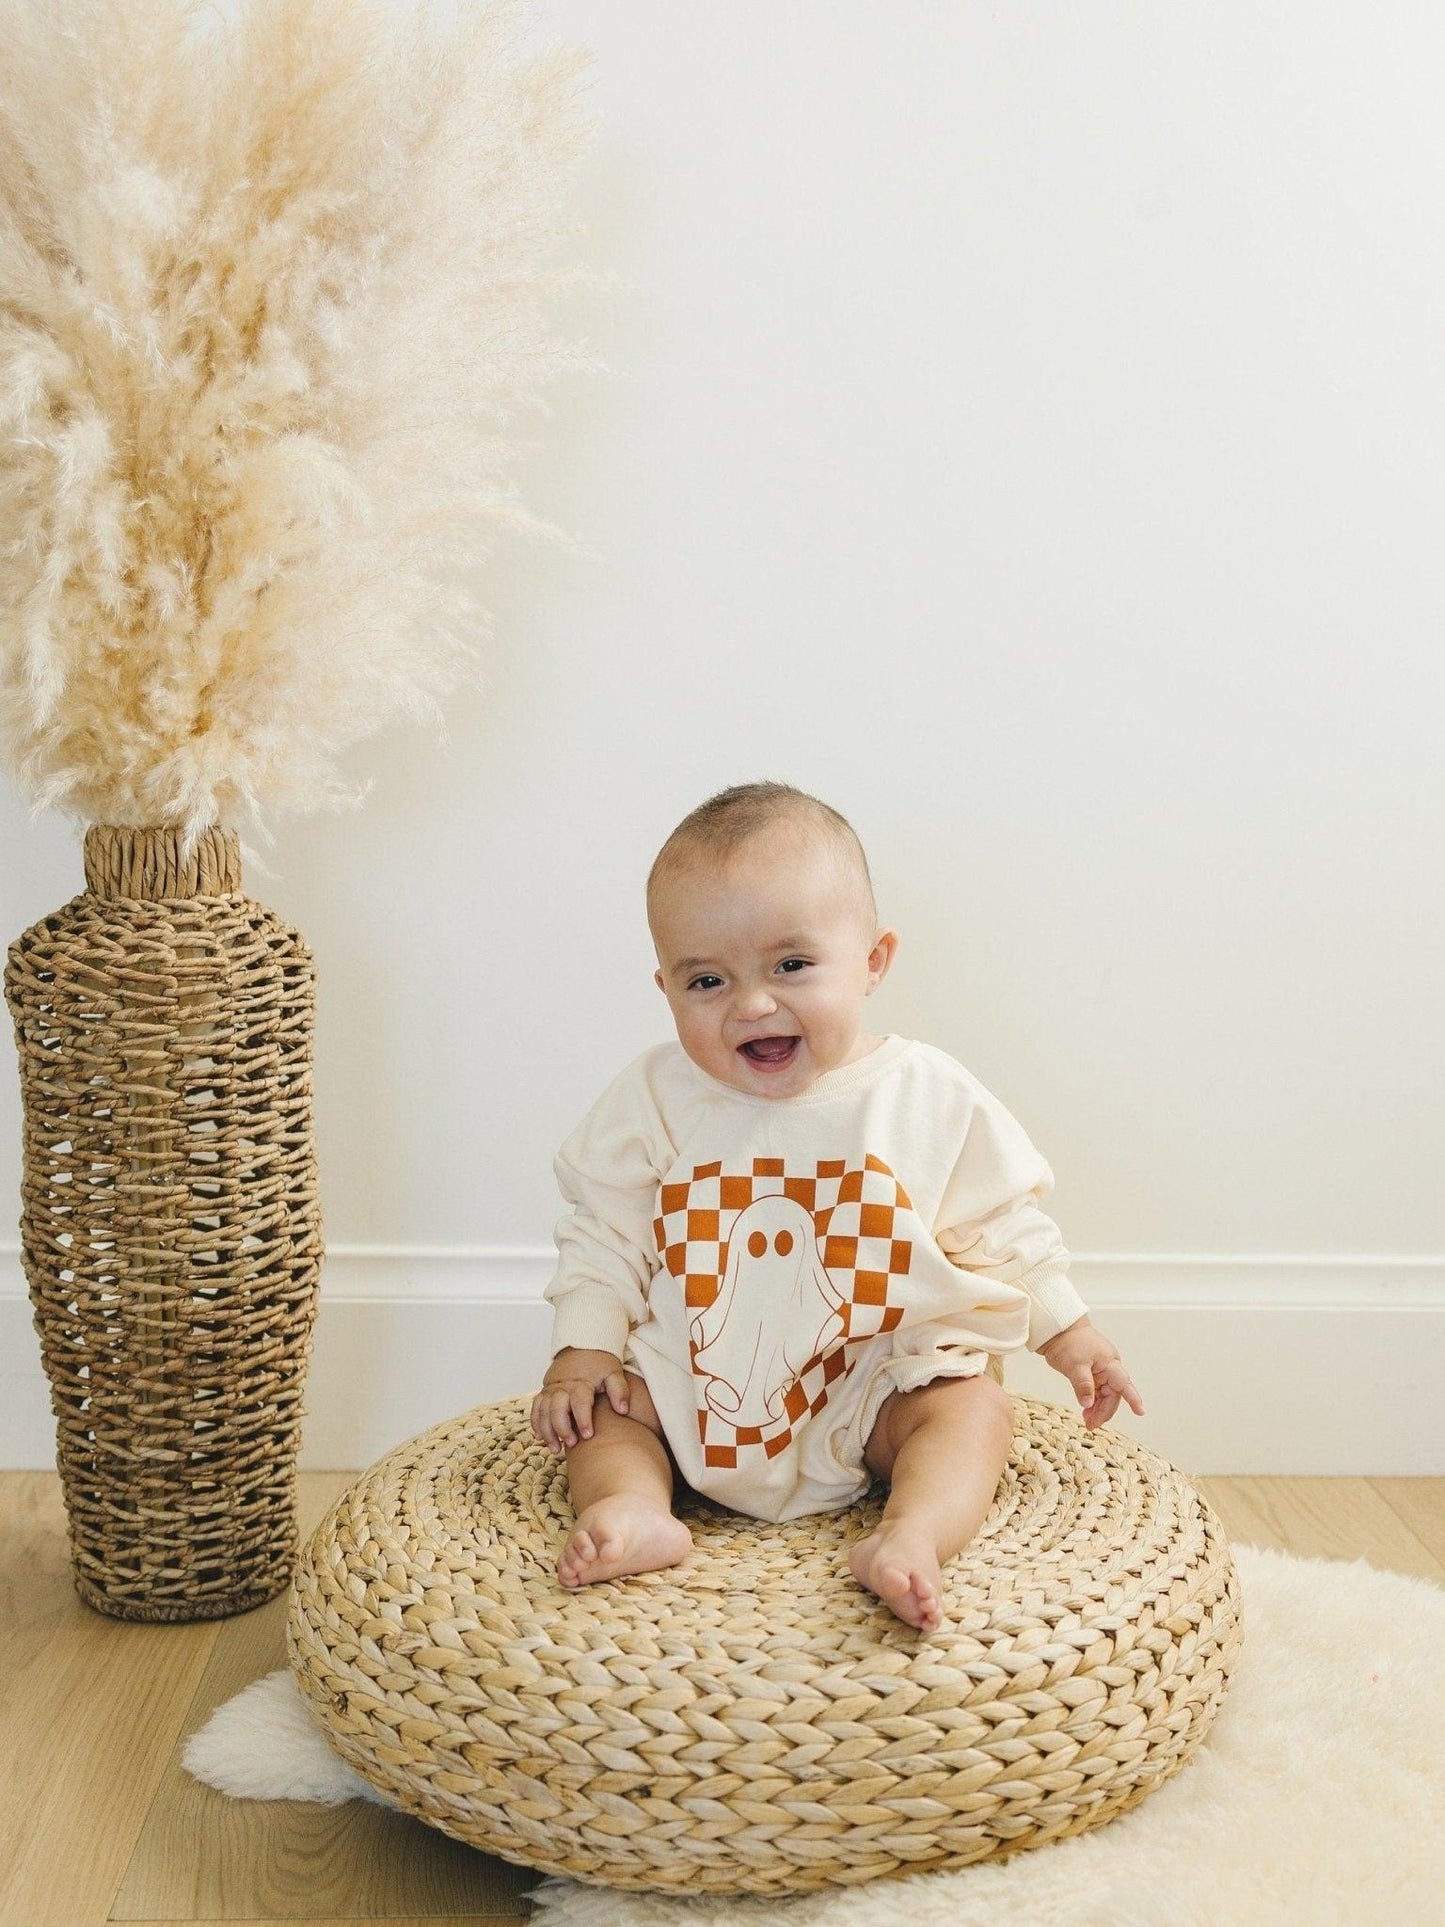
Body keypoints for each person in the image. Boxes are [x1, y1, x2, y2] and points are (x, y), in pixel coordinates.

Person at [531, 781, 1145, 1632]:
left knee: (971, 1406)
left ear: (872, 960)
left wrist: (1070, 1330)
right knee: (602, 1413)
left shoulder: (921, 1093)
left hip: (871, 1388)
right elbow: (605, 1233)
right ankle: (635, 1506)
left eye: (791, 965)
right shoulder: (656, 1098)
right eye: (706, 979)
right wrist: (581, 1349)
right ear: (665, 987)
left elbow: (1000, 1228)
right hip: (691, 1389)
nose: (751, 1003)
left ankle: (911, 1534)